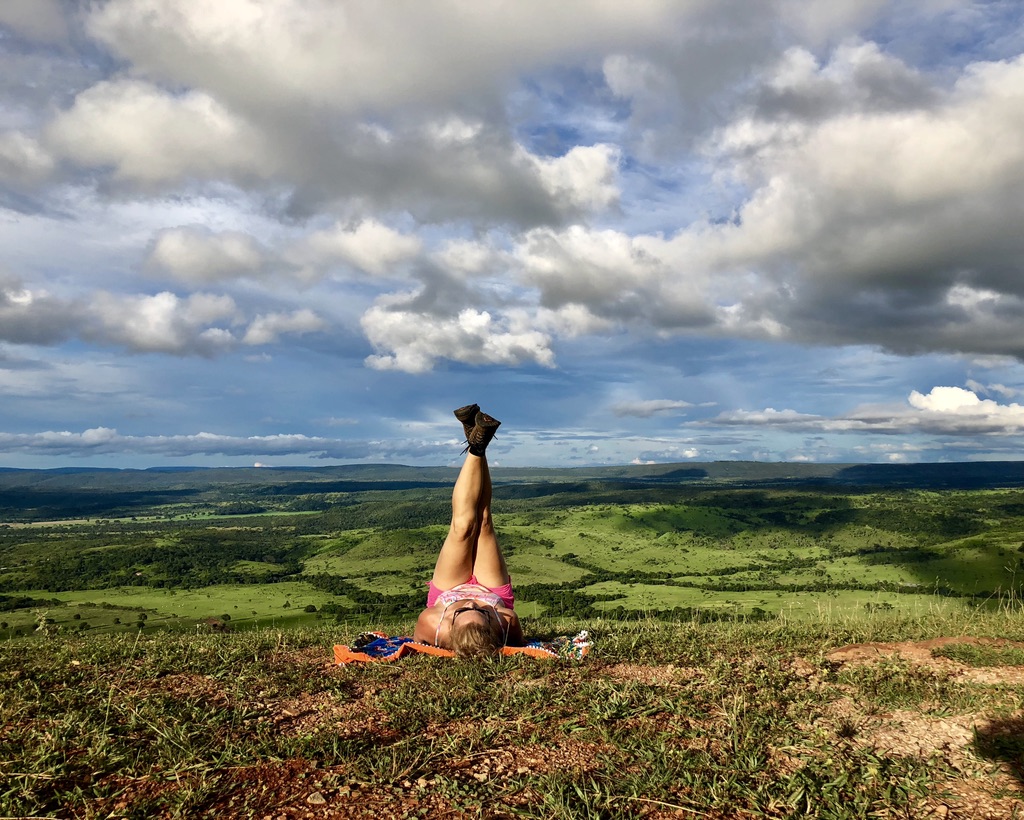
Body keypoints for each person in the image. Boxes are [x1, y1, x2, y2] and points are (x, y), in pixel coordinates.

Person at [414, 404, 525, 657]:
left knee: (463, 527)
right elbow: (523, 644)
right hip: (492, 591)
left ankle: (476, 445)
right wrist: (490, 607)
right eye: (482, 612)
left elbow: (414, 645)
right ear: (492, 626)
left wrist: (454, 605)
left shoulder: (432, 624)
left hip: (447, 590)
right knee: (483, 520)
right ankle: (477, 442)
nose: (473, 602)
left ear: (450, 626)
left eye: (463, 611)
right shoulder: (506, 622)